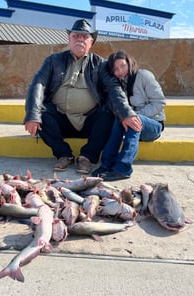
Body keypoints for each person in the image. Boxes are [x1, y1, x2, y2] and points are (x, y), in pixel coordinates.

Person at [23, 19, 116, 175]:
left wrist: (127, 114)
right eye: (76, 36)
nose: (80, 39)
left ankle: (87, 157)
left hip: (90, 122)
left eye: (85, 37)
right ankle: (63, 154)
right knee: (42, 112)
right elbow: (38, 84)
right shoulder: (53, 61)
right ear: (69, 39)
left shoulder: (101, 64)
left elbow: (113, 90)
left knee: (108, 112)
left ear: (91, 42)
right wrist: (32, 115)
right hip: (61, 121)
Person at [92, 50, 166, 181]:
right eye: (115, 69)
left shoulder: (144, 76)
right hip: (134, 127)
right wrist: (126, 116)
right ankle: (106, 164)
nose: (120, 71)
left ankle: (123, 168)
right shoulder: (118, 84)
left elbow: (159, 103)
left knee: (132, 119)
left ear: (130, 63)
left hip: (153, 125)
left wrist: (133, 115)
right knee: (120, 119)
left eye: (122, 66)